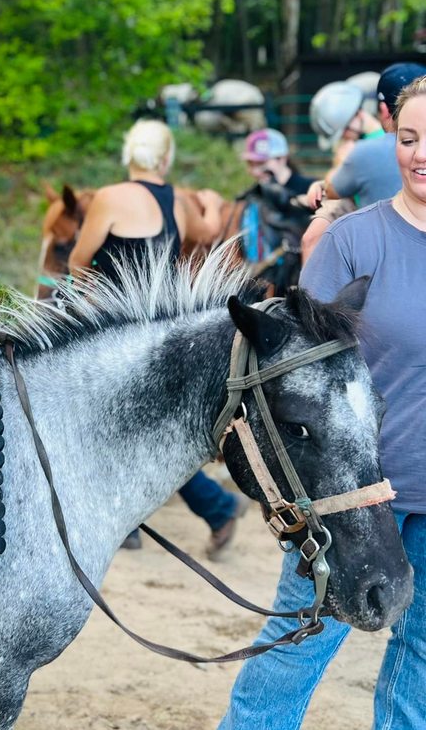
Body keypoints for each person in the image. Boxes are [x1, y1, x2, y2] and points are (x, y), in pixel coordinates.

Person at [218, 74, 426, 729]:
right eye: (408, 138)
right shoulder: (351, 242)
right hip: (350, 493)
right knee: (298, 644)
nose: (420, 153)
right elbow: (293, 372)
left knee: (422, 657)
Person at [67, 119, 248, 558]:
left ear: (128, 155)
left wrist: (89, 306)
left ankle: (215, 508)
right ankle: (149, 521)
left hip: (119, 332)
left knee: (116, 424)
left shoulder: (109, 197)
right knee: (137, 427)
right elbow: (207, 233)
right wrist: (209, 202)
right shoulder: (179, 202)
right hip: (164, 334)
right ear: (166, 159)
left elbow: (78, 260)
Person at [301, 64, 426, 261]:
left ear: (383, 109)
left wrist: (329, 174)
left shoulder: (363, 152)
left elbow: (333, 190)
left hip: (388, 251)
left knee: (312, 238)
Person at [237, 128, 314, 294]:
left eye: (261, 163)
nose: (255, 171)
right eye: (251, 164)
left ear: (282, 158)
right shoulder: (252, 197)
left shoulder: (311, 189)